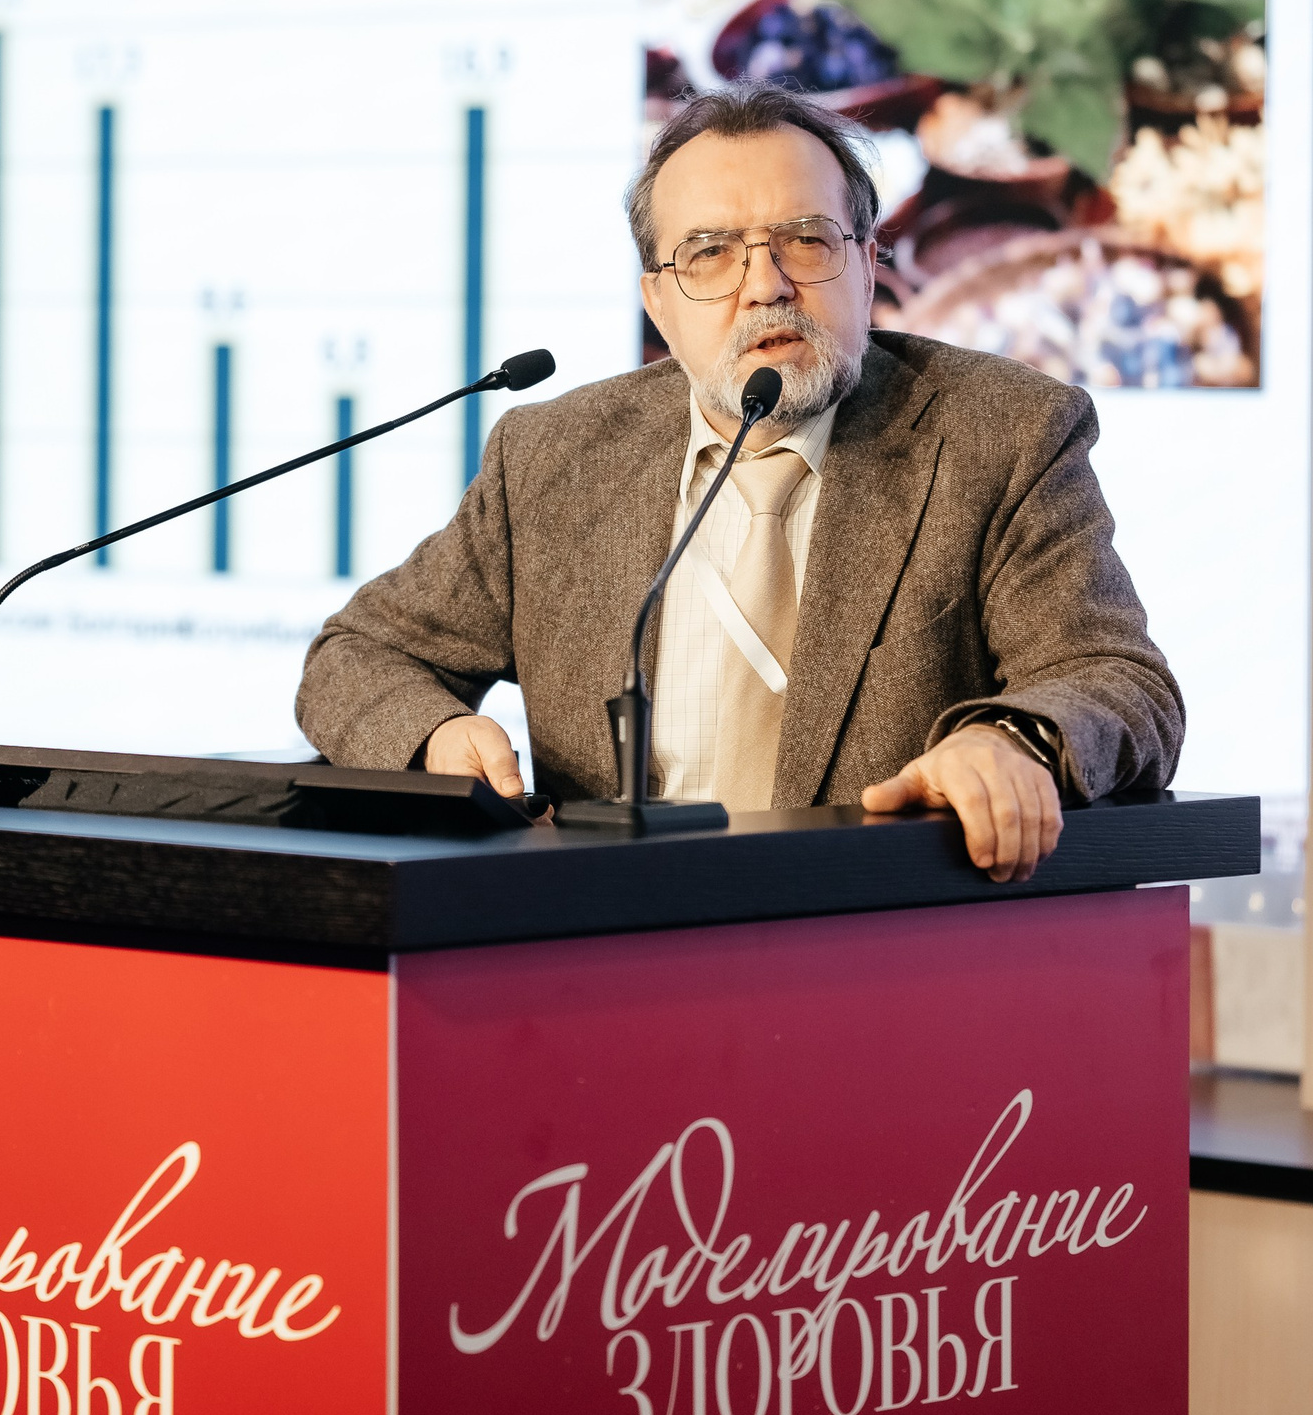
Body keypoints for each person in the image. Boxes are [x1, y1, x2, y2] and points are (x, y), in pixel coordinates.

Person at [296, 83, 1182, 884]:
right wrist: (437, 737)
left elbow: (1114, 676)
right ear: (658, 301)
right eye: (711, 252)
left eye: (807, 239)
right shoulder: (555, 458)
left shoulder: (1002, 431)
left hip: (875, 945)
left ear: (869, 265)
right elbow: (357, 657)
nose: (766, 285)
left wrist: (1012, 741)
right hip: (596, 946)